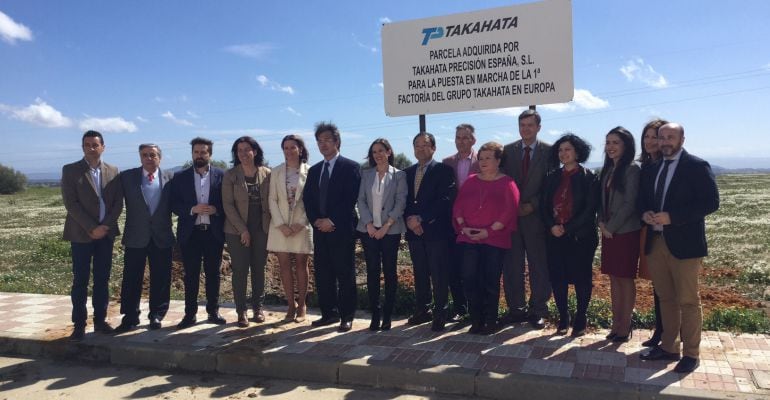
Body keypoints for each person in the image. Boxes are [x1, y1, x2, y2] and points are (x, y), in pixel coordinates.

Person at [638, 122, 719, 374]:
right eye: (662, 138)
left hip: (685, 245)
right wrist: (645, 213)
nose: (665, 142)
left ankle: (691, 354)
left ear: (682, 140)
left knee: (688, 300)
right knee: (666, 298)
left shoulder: (696, 166)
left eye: (670, 137)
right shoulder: (652, 169)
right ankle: (669, 347)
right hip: (656, 242)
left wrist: (674, 217)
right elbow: (643, 200)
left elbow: (711, 202)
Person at [61, 130, 123, 341]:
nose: (91, 148)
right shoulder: (70, 170)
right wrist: (91, 227)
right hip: (81, 234)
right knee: (80, 280)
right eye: (87, 144)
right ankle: (79, 324)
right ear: (83, 147)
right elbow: (71, 204)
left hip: (106, 234)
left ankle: (100, 321)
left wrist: (105, 226)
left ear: (103, 147)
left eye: (95, 144)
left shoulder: (114, 171)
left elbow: (117, 204)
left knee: (102, 279)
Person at [452, 142, 519, 335]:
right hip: (469, 238)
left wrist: (488, 232)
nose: (483, 161)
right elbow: (458, 206)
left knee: (490, 280)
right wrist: (464, 227)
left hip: (494, 239)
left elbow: (509, 211)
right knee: (469, 278)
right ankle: (476, 320)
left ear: (498, 160)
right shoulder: (471, 181)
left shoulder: (508, 183)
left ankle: (490, 320)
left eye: (488, 158)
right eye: (481, 158)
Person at [303, 122, 361, 332]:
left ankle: (347, 315)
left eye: (327, 140)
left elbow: (350, 199)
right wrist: (316, 221)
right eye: (319, 141)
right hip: (320, 230)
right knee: (323, 274)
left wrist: (332, 220)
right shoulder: (315, 170)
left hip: (342, 229)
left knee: (345, 274)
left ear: (337, 142)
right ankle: (329, 313)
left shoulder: (351, 167)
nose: (323, 144)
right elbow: (307, 199)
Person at [541, 134, 598, 337]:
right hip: (555, 236)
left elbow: (590, 209)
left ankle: (581, 317)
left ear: (578, 152)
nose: (563, 154)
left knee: (582, 278)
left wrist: (568, 227)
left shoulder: (589, 177)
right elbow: (544, 206)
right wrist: (552, 226)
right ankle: (563, 317)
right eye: (560, 150)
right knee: (558, 278)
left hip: (580, 237)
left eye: (568, 149)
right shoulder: (551, 177)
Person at [501, 109, 553, 329]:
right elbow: (502, 181)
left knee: (538, 265)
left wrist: (532, 205)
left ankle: (538, 310)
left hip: (536, 218)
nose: (526, 129)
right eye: (522, 125)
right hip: (512, 219)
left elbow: (551, 186)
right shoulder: (508, 150)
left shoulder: (549, 151)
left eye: (530, 125)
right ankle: (516, 309)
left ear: (538, 127)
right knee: (512, 266)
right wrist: (512, 206)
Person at [114, 144, 174, 334]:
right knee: (131, 278)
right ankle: (130, 316)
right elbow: (112, 200)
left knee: (161, 278)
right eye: (145, 155)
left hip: (162, 236)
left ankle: (157, 314)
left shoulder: (171, 178)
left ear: (160, 158)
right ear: (140, 157)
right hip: (135, 236)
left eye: (153, 155)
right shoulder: (127, 177)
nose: (149, 158)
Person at [171, 137, 227, 329]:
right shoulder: (179, 177)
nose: (199, 155)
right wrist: (191, 209)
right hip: (191, 233)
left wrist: (216, 209)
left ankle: (213, 311)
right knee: (191, 275)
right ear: (192, 154)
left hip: (213, 232)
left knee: (213, 274)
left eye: (203, 152)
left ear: (210, 154)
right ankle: (190, 314)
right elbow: (174, 204)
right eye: (196, 152)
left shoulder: (222, 175)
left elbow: (228, 202)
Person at [404, 132, 457, 332]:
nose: (420, 148)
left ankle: (440, 312)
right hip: (413, 232)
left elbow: (445, 200)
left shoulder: (443, 170)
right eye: (416, 145)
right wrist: (410, 220)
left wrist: (422, 219)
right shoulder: (407, 172)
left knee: (439, 274)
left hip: (436, 231)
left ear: (433, 148)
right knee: (420, 273)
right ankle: (422, 310)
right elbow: (403, 200)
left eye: (425, 145)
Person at [357, 138, 407, 331]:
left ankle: (387, 314)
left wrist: (386, 226)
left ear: (389, 152)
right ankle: (375, 314)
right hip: (368, 230)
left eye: (381, 151)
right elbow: (360, 200)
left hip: (390, 231)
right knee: (372, 272)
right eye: (374, 152)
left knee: (390, 272)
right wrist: (369, 224)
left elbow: (400, 202)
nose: (377, 155)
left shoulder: (399, 176)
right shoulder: (366, 174)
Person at [222, 136, 271, 328]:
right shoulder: (231, 175)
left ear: (255, 151)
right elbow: (228, 205)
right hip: (236, 230)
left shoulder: (267, 173)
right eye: (239, 150)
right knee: (240, 270)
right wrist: (243, 230)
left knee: (259, 269)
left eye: (247, 149)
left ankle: (258, 308)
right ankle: (241, 311)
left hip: (262, 229)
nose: (243, 153)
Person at [598, 127, 641, 343]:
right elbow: (601, 202)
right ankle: (616, 323)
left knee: (625, 279)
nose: (610, 147)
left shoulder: (632, 169)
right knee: (614, 279)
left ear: (626, 145)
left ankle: (625, 325)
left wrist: (611, 227)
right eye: (608, 142)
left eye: (615, 142)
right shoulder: (607, 169)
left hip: (624, 233)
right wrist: (601, 223)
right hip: (608, 233)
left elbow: (629, 204)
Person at [267, 134, 313, 323]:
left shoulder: (310, 171)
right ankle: (290, 304)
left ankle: (302, 304)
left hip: (301, 226)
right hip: (280, 227)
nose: (288, 151)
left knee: (302, 266)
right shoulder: (276, 172)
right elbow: (272, 199)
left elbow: (312, 200)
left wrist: (300, 223)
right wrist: (281, 224)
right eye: (285, 148)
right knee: (283, 266)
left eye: (292, 147)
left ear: (300, 149)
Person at [441, 123, 479, 321]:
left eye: (465, 137)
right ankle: (459, 308)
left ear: (473, 140)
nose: (461, 141)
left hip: (477, 223)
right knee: (453, 267)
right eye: (458, 137)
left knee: (474, 269)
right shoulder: (446, 163)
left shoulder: (482, 161)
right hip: (452, 223)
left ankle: (477, 309)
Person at [637, 118, 668, 347]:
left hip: (671, 235)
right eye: (646, 137)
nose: (649, 141)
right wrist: (643, 212)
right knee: (658, 286)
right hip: (650, 232)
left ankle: (668, 335)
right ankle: (661, 331)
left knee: (670, 288)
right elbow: (641, 201)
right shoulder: (645, 167)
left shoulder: (670, 165)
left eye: (654, 136)